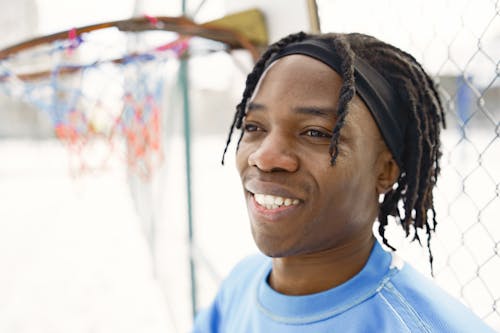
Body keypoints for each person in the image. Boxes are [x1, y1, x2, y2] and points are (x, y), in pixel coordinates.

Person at [193, 32, 495, 332]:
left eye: (316, 133)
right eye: (253, 126)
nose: (265, 157)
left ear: (385, 171)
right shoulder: (240, 286)